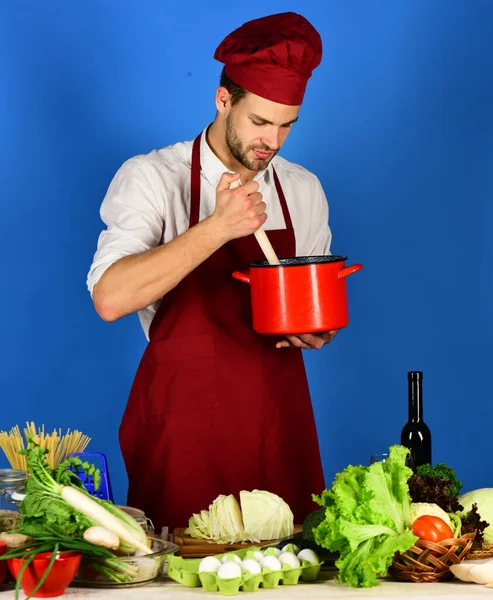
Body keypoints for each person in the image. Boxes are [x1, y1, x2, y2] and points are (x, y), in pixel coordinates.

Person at [87, 11, 337, 532]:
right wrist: (218, 227)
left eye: (287, 124)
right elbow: (110, 298)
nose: (273, 140)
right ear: (224, 100)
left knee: (291, 572)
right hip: (187, 427)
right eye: (260, 121)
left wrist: (317, 328)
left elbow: (308, 301)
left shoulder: (303, 189)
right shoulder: (152, 177)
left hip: (277, 419)